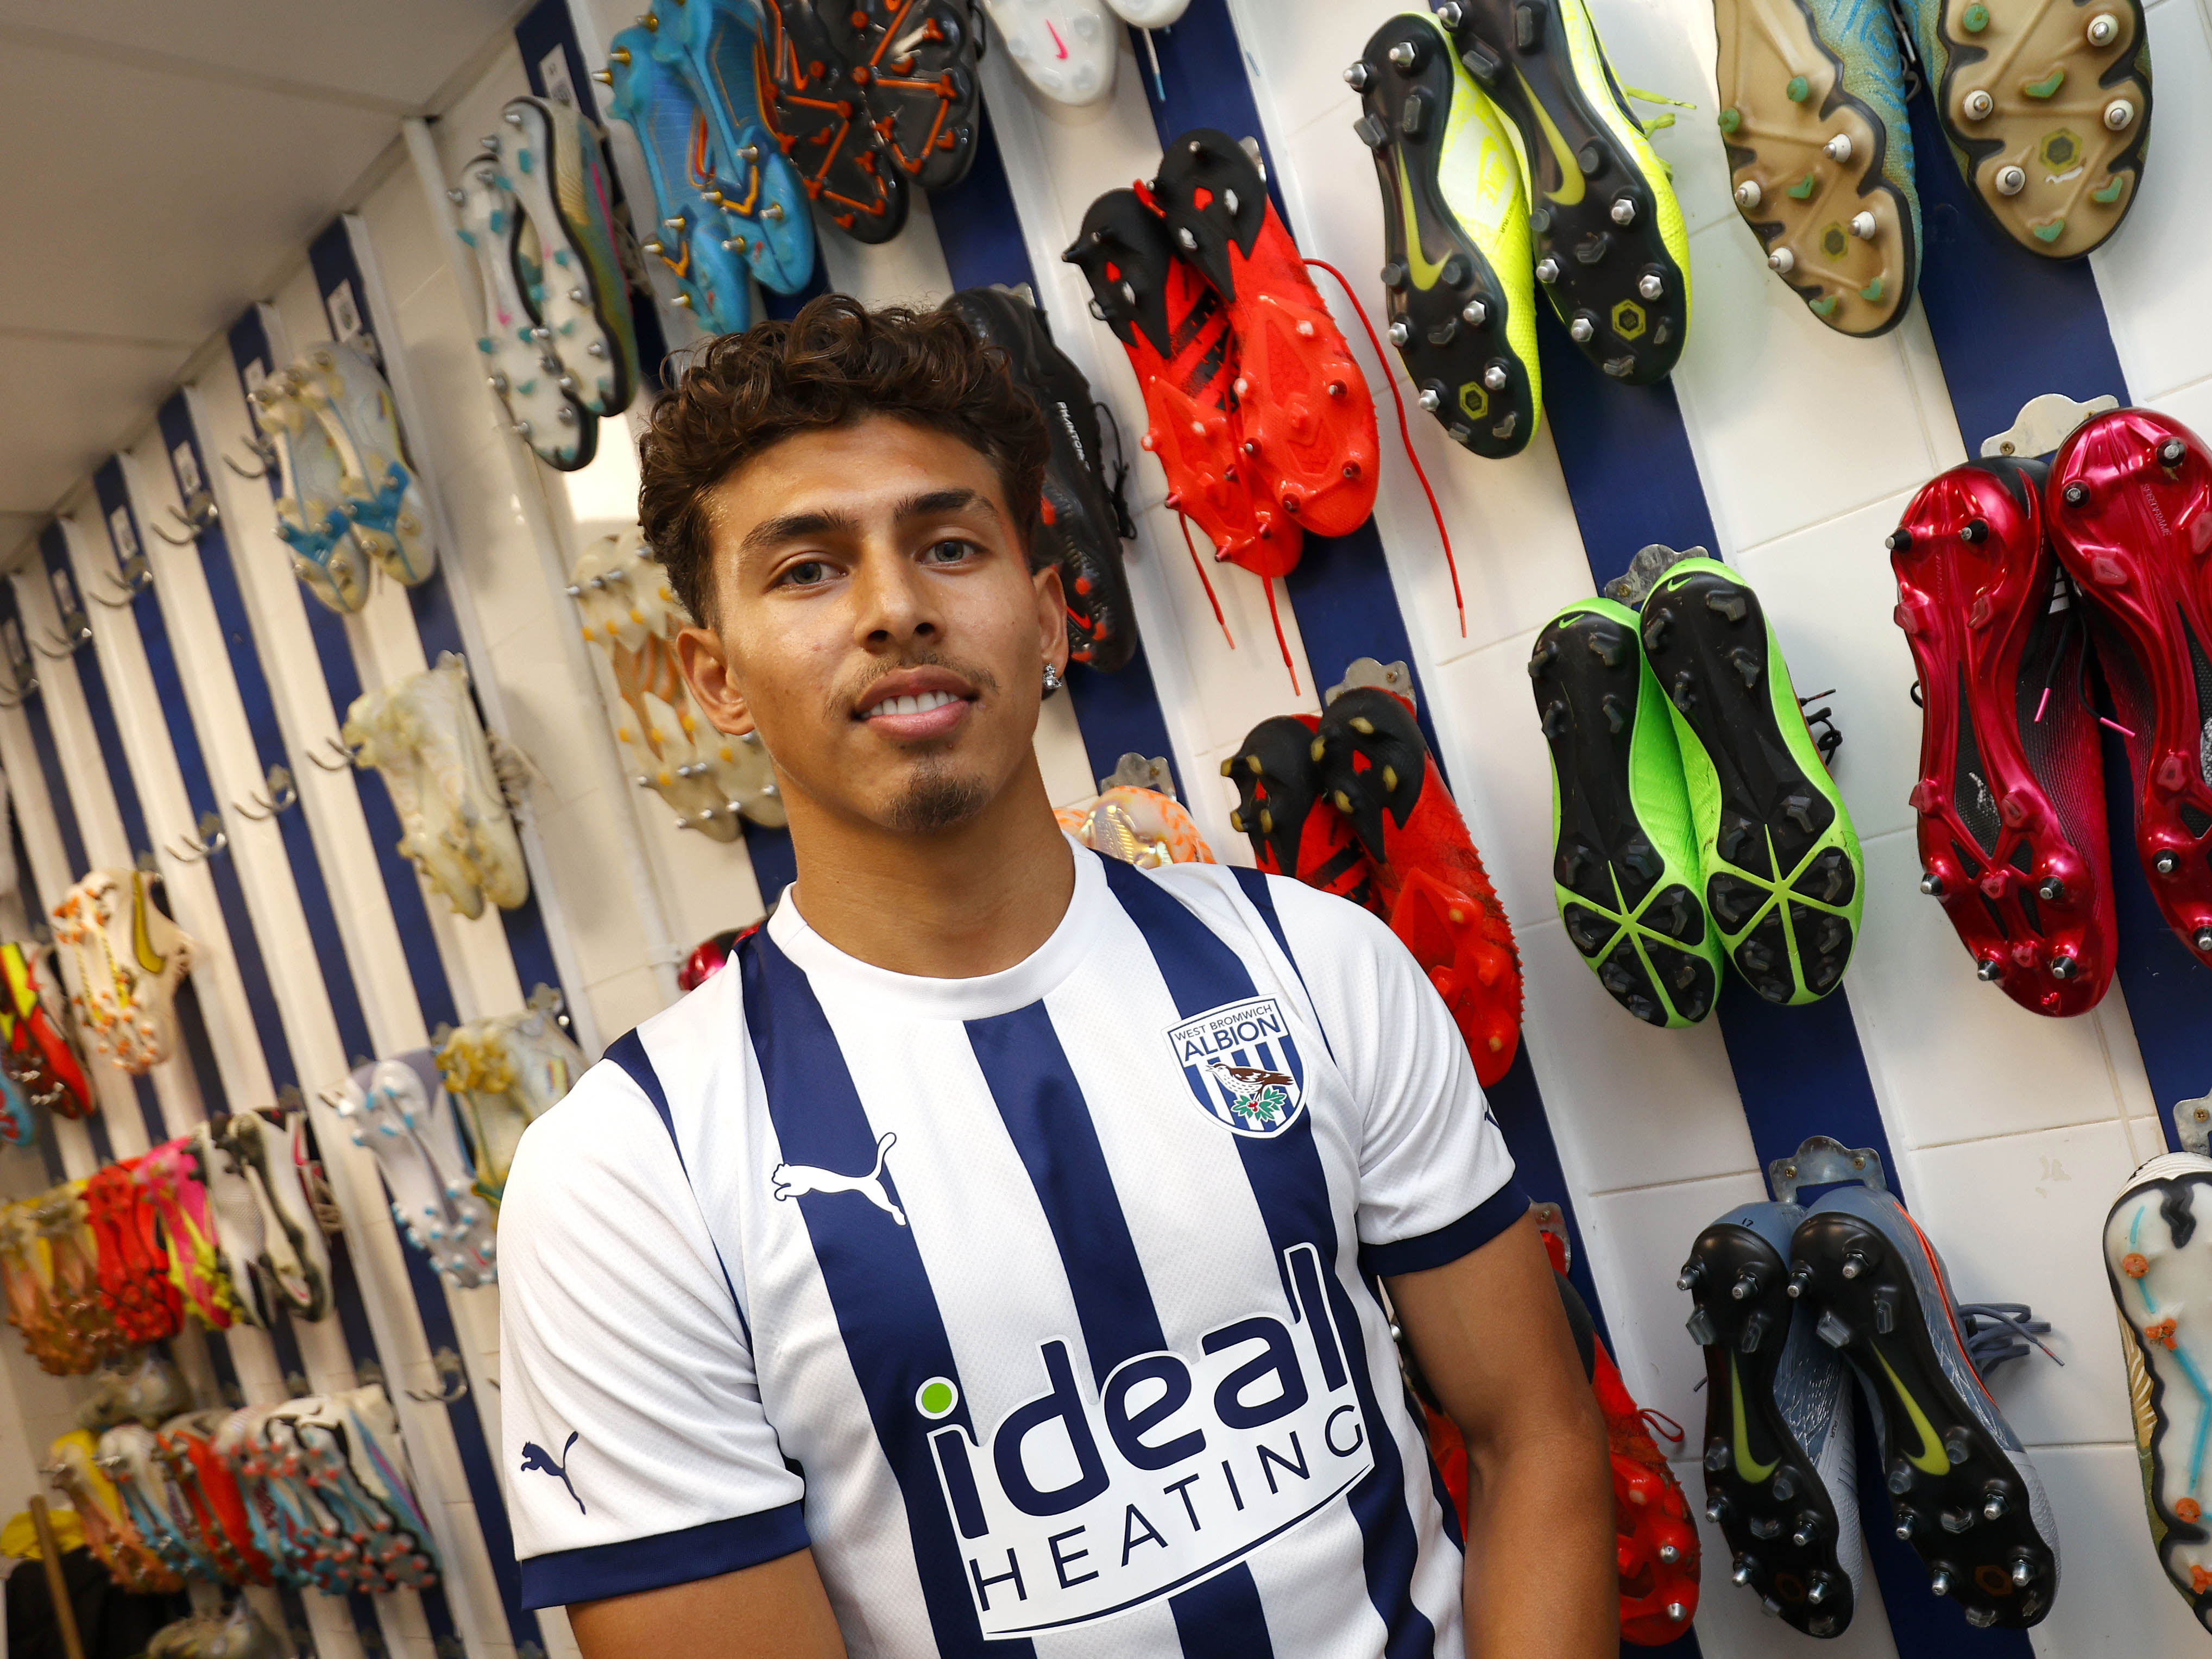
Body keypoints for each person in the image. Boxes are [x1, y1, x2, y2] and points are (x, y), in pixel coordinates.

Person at [497, 295, 1613, 1658]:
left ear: (1046, 614)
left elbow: (1533, 1438)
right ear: (713, 679)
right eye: (806, 571)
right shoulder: (623, 1177)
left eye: (949, 545)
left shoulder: (1316, 963)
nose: (896, 609)